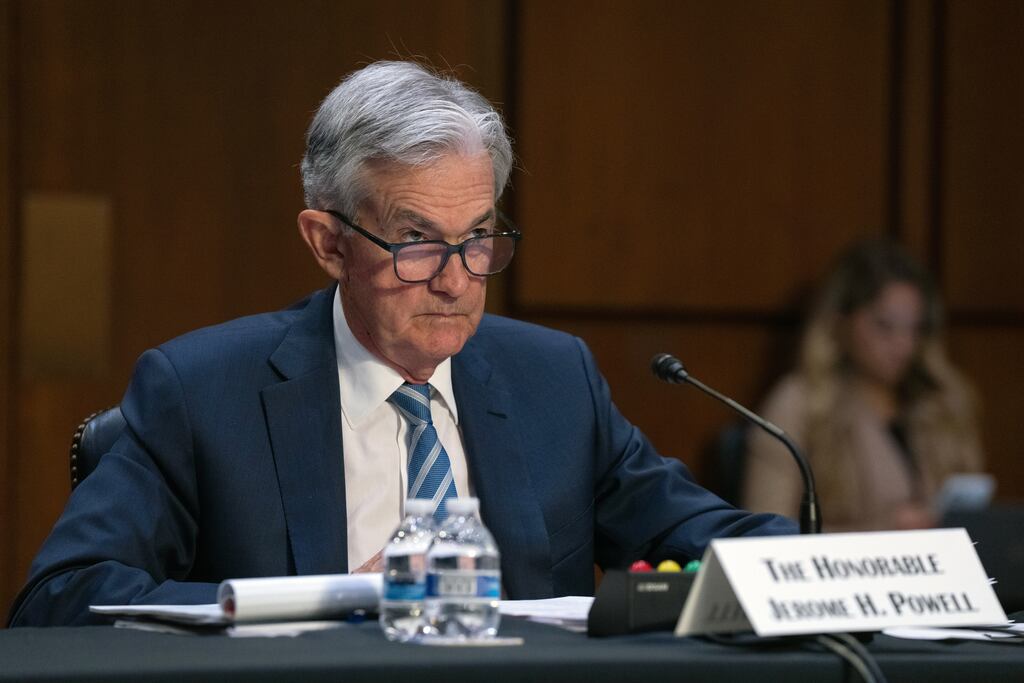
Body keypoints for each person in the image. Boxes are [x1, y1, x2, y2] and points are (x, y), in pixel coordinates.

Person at [8, 61, 795, 627]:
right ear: (327, 242)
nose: (457, 279)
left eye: (479, 238)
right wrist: (327, 601)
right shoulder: (202, 391)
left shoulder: (553, 380)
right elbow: (60, 595)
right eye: (417, 240)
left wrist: (855, 569)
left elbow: (699, 536)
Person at [742, 239, 984, 531]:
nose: (904, 346)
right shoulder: (798, 403)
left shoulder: (942, 403)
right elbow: (765, 533)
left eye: (915, 328)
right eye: (885, 326)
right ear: (839, 322)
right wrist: (883, 529)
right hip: (840, 575)